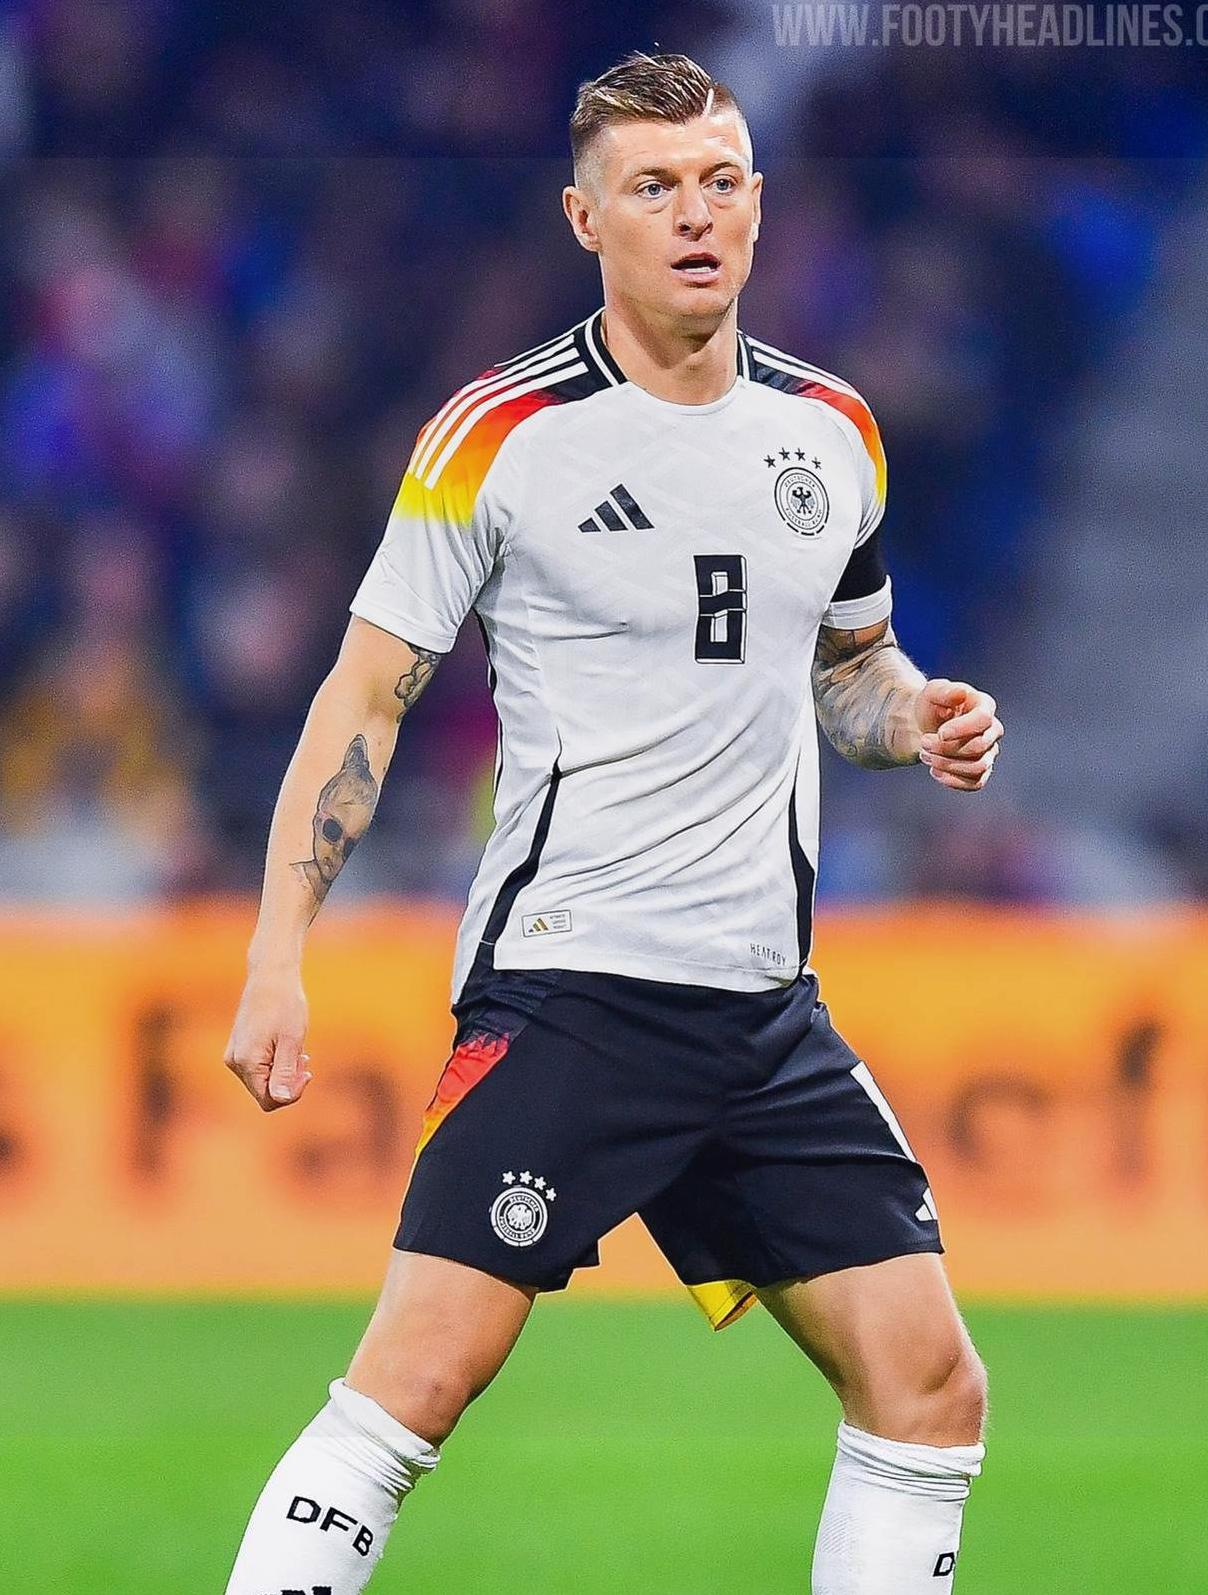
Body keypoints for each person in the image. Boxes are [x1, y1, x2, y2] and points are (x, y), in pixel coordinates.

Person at [222, 51, 1004, 1595]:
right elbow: (363, 700)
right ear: (587, 219)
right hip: (576, 995)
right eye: (654, 187)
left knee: (928, 1389)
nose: (695, 215)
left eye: (722, 182)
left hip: (767, 1017)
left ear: (762, 208)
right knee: (414, 1389)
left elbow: (850, 672)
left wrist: (915, 719)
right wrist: (274, 958)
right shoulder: (499, 436)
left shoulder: (835, 431)